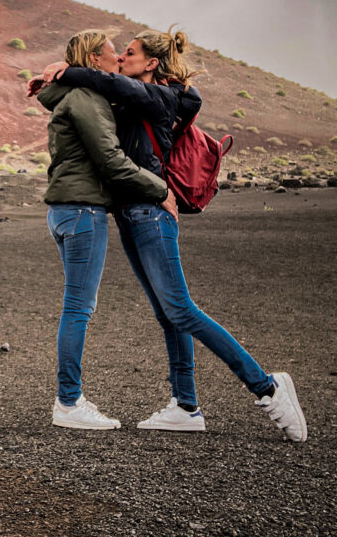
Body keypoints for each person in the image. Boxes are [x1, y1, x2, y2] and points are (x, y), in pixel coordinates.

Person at [36, 26, 307, 441]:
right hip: (130, 214)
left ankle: (267, 387)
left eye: (130, 52)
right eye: (118, 52)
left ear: (151, 63)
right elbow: (92, 95)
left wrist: (68, 70)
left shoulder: (162, 98)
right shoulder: (124, 97)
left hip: (151, 213)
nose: (122, 58)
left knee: (180, 309)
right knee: (168, 315)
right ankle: (185, 406)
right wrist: (62, 72)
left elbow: (101, 81)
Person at [35, 29, 177, 430]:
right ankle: (68, 402)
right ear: (95, 58)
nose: (118, 60)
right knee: (79, 307)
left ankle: (70, 398)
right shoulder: (86, 99)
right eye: (113, 54)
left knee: (76, 305)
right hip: (82, 211)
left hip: (67, 210)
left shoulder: (72, 95)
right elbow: (112, 161)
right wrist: (161, 189)